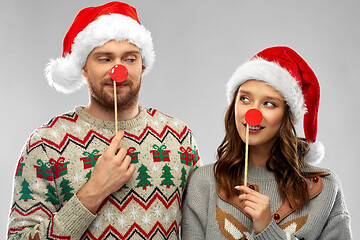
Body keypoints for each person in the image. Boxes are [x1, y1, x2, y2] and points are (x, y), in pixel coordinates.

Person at [7, 2, 202, 239]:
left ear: (142, 66)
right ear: (84, 68)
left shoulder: (179, 137)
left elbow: (200, 229)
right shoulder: (46, 144)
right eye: (105, 59)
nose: (117, 70)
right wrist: (94, 191)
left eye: (129, 59)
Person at [181, 46, 352, 239]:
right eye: (245, 99)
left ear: (287, 116)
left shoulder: (325, 188)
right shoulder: (204, 183)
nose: (252, 113)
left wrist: (268, 230)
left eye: (269, 103)